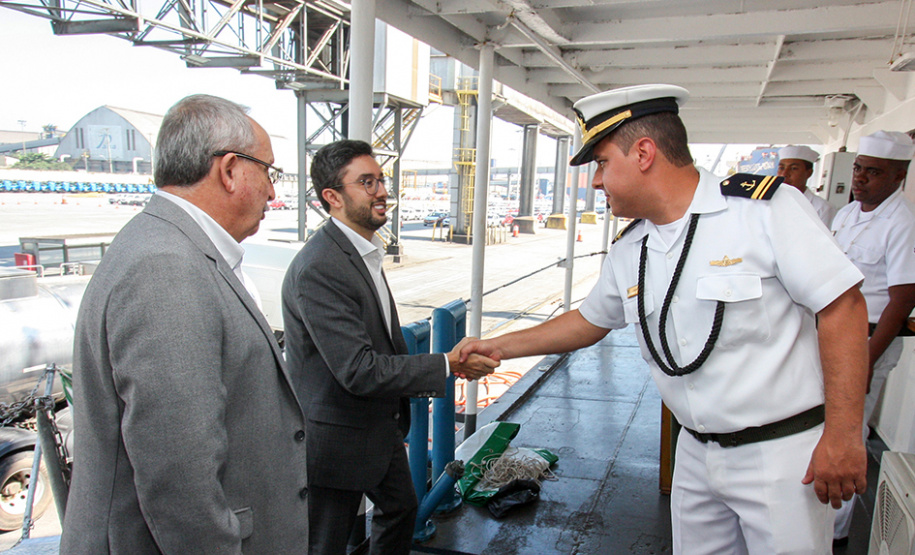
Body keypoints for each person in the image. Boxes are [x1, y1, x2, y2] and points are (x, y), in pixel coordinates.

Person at [460, 84, 870, 555]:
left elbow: (842, 307)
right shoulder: (632, 246)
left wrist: (843, 435)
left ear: (644, 152)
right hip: (694, 453)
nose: (596, 181)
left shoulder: (761, 212)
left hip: (780, 454)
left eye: (601, 163)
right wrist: (498, 346)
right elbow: (591, 321)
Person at [61, 94, 309, 554]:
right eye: (268, 172)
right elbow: (179, 477)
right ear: (230, 169)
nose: (273, 192)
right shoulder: (165, 267)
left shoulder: (177, 250)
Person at [281, 139, 499, 555]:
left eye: (381, 178)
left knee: (401, 510)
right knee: (324, 544)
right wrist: (446, 364)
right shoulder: (319, 268)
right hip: (337, 439)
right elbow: (358, 369)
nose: (383, 191)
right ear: (332, 197)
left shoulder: (361, 253)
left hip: (378, 427)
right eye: (367, 182)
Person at [830, 130, 915, 544]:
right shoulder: (847, 215)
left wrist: (866, 359)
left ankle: (835, 533)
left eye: (874, 172)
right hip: (831, 333)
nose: (861, 178)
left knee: (850, 430)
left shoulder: (902, 223)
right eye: (860, 169)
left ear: (900, 175)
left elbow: (902, 298)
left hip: (869, 339)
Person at [777, 144, 836, 226]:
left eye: (793, 168)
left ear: (809, 173)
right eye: (781, 168)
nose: (784, 174)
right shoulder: (770, 201)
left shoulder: (822, 208)